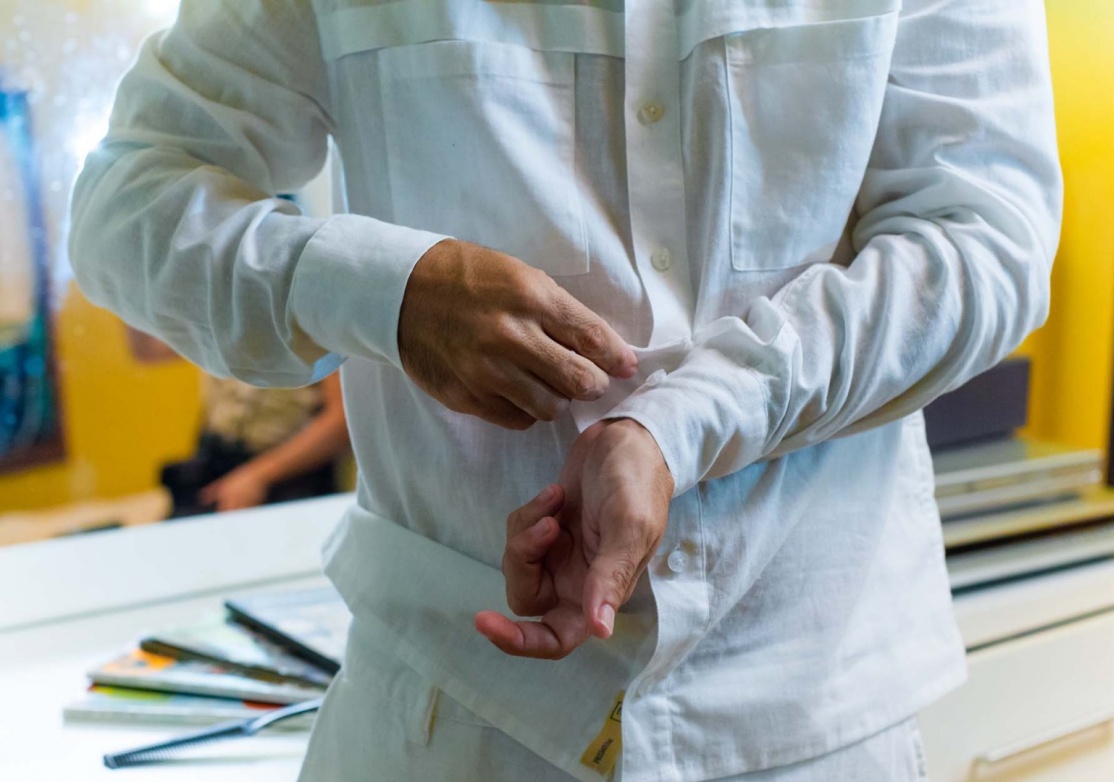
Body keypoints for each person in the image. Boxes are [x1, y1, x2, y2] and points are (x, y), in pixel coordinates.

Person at [69, 1, 1062, 779]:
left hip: (808, 706)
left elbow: (986, 238)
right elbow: (129, 198)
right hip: (447, 716)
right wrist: (381, 288)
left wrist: (684, 422)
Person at [128, 328, 350, 515]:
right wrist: (122, 286)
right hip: (217, 460)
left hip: (290, 472)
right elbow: (148, 351)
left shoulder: (311, 314)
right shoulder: (218, 304)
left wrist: (258, 476)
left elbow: (342, 422)